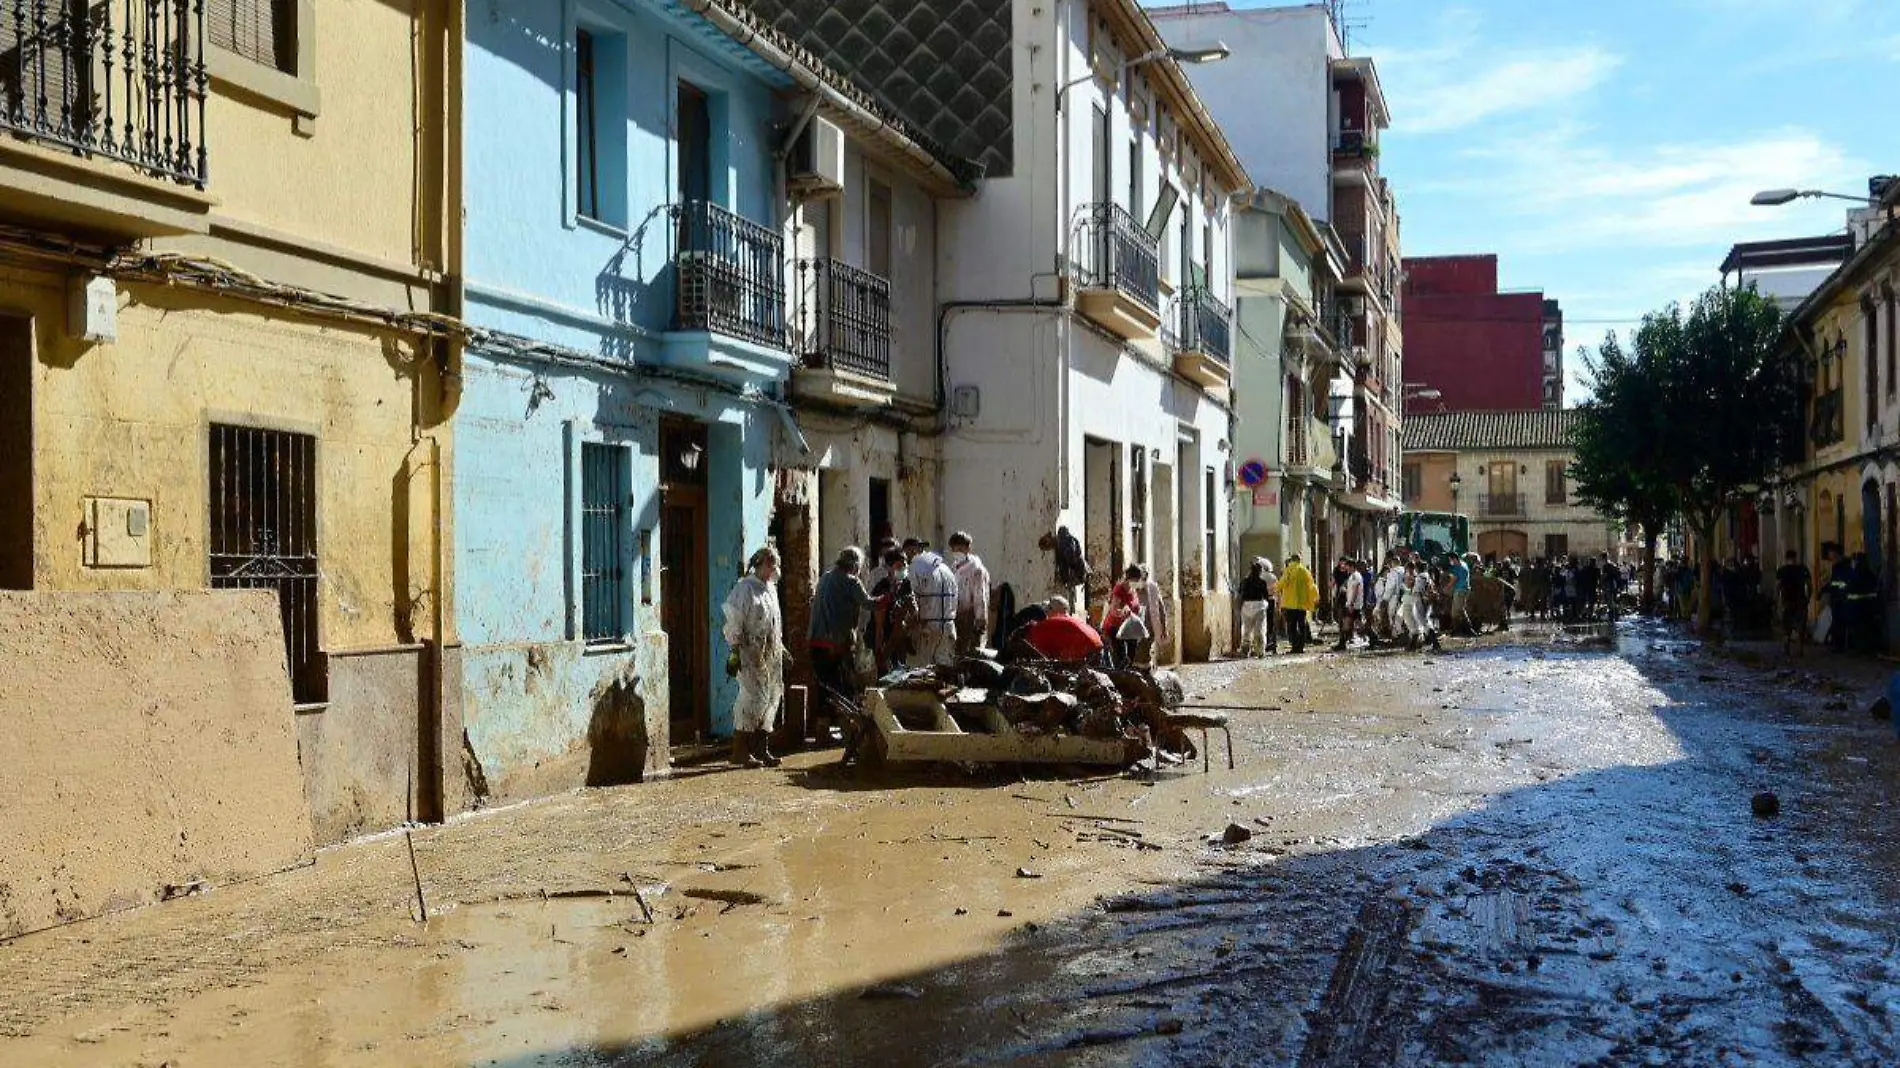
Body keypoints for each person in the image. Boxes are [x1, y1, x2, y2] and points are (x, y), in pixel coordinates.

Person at [722, 547, 787, 769]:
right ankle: (740, 750)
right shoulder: (744, 589)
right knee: (752, 697)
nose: (773, 570)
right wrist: (734, 650)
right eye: (770, 565)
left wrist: (781, 648)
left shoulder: (770, 589)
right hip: (749, 652)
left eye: (775, 566)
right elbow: (733, 621)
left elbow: (774, 622)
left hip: (770, 653)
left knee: (771, 697)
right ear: (760, 564)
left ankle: (761, 748)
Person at [905, 538, 959, 666]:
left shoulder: (915, 567)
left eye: (907, 553)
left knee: (920, 672)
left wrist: (908, 628)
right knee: (945, 670)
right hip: (948, 627)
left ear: (912, 551)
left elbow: (912, 599)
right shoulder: (946, 569)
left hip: (926, 628)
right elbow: (956, 599)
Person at [947, 532, 992, 658]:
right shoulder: (954, 568)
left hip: (971, 617)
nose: (957, 552)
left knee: (970, 654)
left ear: (968, 548)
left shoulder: (977, 570)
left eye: (960, 549)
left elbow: (980, 597)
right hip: (957, 617)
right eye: (954, 549)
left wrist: (980, 621)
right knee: (957, 653)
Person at [1022, 596, 1105, 662]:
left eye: (1049, 608)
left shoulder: (1043, 627)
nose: (1046, 610)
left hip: (1086, 652)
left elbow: (1041, 657)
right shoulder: (1074, 619)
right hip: (1098, 647)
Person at [1101, 565, 1147, 667]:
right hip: (1116, 627)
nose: (1138, 582)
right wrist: (1124, 613)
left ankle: (1129, 677)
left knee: (1131, 656)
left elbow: (1135, 606)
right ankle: (1120, 679)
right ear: (1130, 578)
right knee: (1121, 658)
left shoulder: (1133, 590)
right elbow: (1114, 610)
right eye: (1136, 579)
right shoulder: (1119, 589)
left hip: (1130, 628)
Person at [1278, 553, 1320, 654]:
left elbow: (1282, 583)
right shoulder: (1305, 571)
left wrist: (1275, 589)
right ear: (1300, 560)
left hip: (1289, 604)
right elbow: (1312, 586)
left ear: (1292, 560)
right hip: (1302, 604)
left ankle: (1294, 646)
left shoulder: (1289, 570)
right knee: (1301, 625)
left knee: (1291, 626)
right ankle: (1301, 647)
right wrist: (1316, 598)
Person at [1775, 550, 1812, 657]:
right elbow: (1809, 585)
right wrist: (1808, 598)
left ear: (1786, 558)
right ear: (1796, 557)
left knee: (1787, 626)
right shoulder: (1803, 569)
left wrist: (1778, 601)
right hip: (1800, 600)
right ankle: (1800, 649)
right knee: (1801, 625)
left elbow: (1777, 586)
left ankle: (1786, 647)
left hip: (1787, 601)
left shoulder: (1782, 570)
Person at [1238, 559, 1273, 658]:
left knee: (1246, 629)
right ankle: (1260, 651)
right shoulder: (1262, 582)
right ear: (1259, 571)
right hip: (1259, 607)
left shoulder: (1244, 581)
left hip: (1246, 607)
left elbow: (1240, 593)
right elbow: (1266, 595)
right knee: (1259, 630)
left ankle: (1245, 649)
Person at [1137, 564, 1171, 665]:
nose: (1143, 579)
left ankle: (1147, 670)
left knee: (1146, 648)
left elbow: (1161, 608)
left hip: (1150, 625)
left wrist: (1164, 628)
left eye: (1145, 577)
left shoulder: (1152, 588)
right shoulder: (1133, 589)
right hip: (1137, 627)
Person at [1334, 558, 1364, 651]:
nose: (1345, 568)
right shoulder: (1353, 576)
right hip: (1354, 604)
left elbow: (1355, 590)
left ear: (1351, 566)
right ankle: (1372, 637)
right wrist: (1345, 590)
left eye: (1347, 566)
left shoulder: (1355, 576)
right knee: (1356, 624)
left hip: (1353, 605)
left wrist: (1351, 603)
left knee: (1346, 624)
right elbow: (1352, 590)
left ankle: (1342, 644)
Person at [1447, 553, 1474, 636]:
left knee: (1460, 610)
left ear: (1454, 559)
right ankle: (1457, 629)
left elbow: (1454, 579)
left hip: (1460, 590)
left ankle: (1469, 629)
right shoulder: (1463, 564)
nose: (1450, 562)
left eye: (1450, 560)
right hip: (1463, 589)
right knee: (1454, 611)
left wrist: (1446, 588)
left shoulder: (1458, 567)